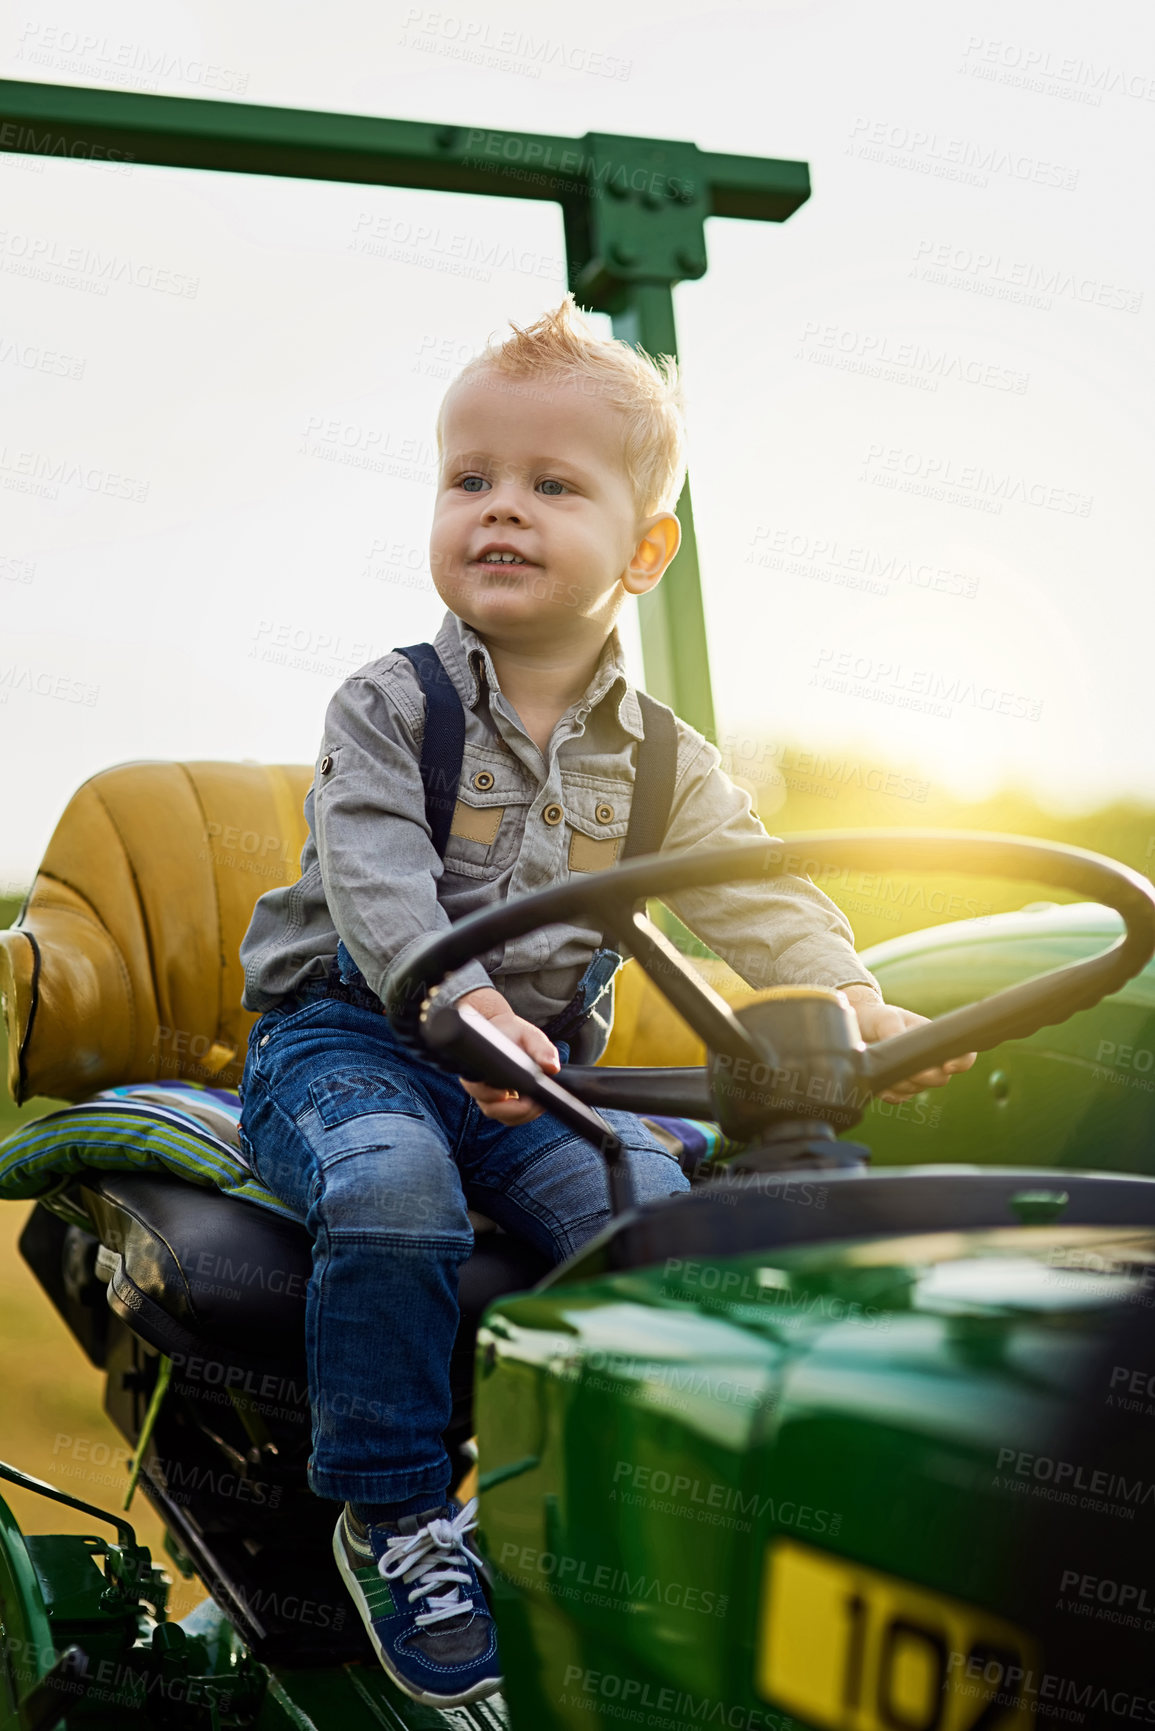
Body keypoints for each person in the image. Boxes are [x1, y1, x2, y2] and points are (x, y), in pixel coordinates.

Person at [235, 294, 975, 1707]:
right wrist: (457, 1003)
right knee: (392, 1187)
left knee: (662, 1218)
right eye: (470, 479)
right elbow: (378, 880)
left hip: (537, 1079)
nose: (499, 511)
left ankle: (614, 1507)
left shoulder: (665, 763)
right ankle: (392, 1510)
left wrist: (852, 996)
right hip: (355, 1044)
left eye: (549, 485)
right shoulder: (387, 706)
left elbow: (758, 891)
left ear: (643, 552)